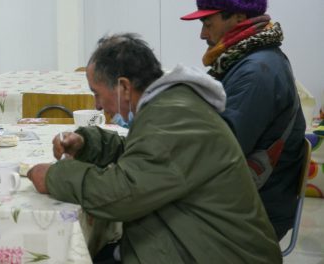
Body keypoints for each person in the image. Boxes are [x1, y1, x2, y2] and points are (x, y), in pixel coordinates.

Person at [28, 34, 281, 263]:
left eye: (97, 93)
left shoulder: (172, 115)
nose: (96, 105)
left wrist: (53, 176)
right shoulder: (170, 105)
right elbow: (146, 158)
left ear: (124, 87)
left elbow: (123, 194)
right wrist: (88, 144)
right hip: (203, 243)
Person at [180, 0, 306, 239]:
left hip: (255, 211)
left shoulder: (256, 72)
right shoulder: (250, 59)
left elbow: (220, 150)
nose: (202, 34)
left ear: (237, 18)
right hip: (254, 196)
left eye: (208, 23)